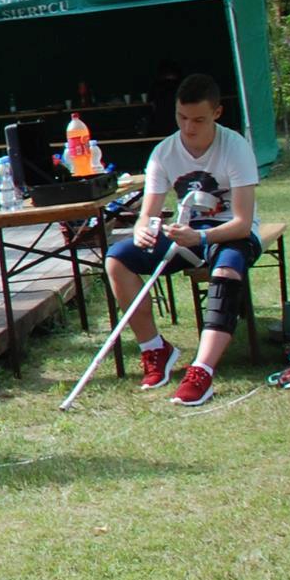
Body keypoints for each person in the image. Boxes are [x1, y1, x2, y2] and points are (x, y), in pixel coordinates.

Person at [104, 74, 262, 407]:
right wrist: (143, 229)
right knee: (117, 259)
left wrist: (200, 235)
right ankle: (155, 349)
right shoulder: (164, 153)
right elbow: (148, 214)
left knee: (227, 271)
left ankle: (202, 371)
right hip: (186, 232)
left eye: (199, 120)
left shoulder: (236, 148)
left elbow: (243, 224)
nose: (188, 128)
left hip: (227, 233)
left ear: (217, 113)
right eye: (182, 118)